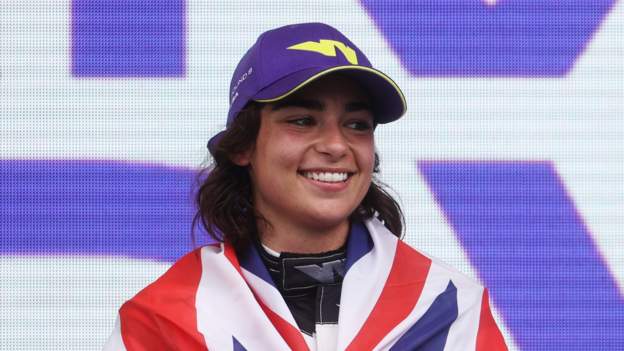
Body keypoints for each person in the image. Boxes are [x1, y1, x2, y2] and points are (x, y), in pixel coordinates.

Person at [103, 23, 508, 351]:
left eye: (357, 125)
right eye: (302, 120)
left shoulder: (447, 308)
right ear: (244, 145)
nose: (336, 145)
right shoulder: (166, 320)